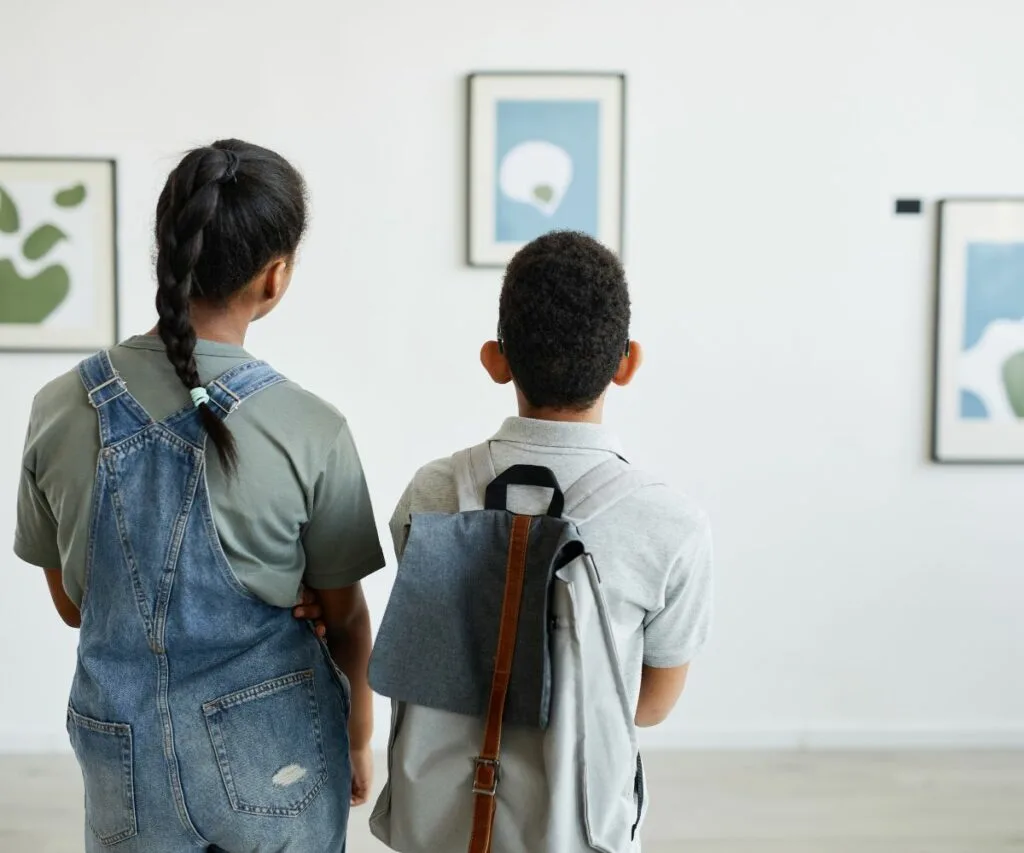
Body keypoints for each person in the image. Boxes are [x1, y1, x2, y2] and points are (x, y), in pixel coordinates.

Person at [14, 140, 383, 853]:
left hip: (123, 756)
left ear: (167, 250)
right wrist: (360, 735)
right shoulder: (313, 427)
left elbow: (73, 605)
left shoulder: (58, 406)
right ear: (274, 277)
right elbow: (347, 621)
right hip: (275, 754)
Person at [381, 230, 714, 844]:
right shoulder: (669, 523)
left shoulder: (432, 493)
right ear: (628, 362)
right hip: (574, 827)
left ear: (495, 359)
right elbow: (648, 705)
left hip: (443, 824)